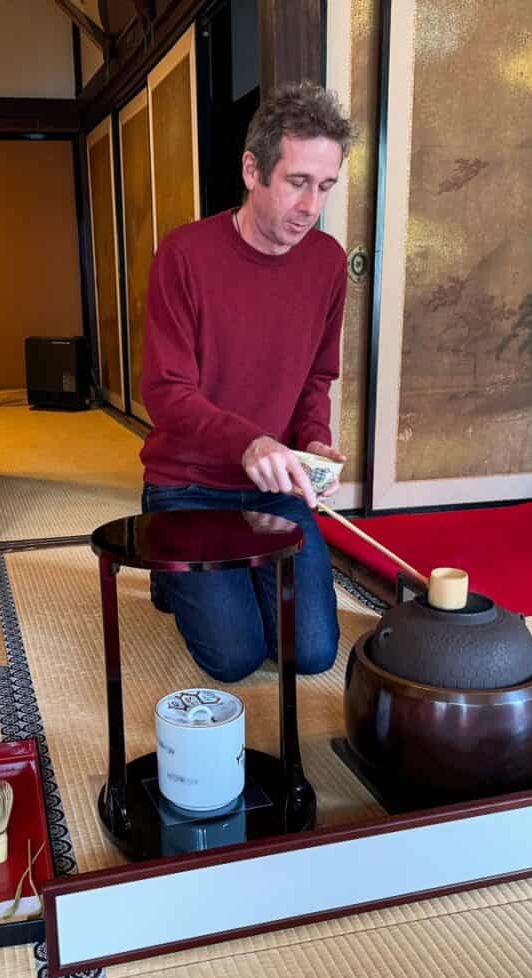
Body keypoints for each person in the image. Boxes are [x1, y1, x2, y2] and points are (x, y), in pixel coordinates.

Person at [140, 82, 353, 683]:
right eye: (297, 182)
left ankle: (199, 577)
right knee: (234, 660)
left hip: (277, 485)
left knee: (307, 653)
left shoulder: (327, 262)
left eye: (326, 186)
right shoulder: (185, 254)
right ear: (252, 169)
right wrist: (249, 443)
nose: (311, 207)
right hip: (189, 485)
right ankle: (169, 573)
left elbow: (317, 375)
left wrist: (311, 443)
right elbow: (165, 390)